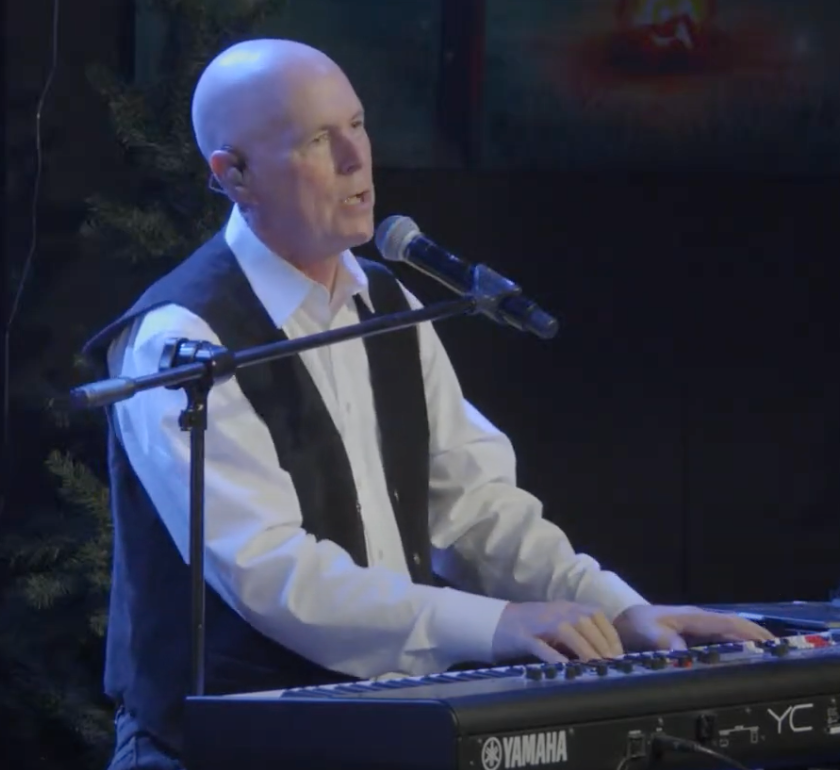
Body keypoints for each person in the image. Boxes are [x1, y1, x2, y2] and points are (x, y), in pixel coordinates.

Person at [85, 38, 773, 770]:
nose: (356, 158)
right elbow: (273, 574)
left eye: (358, 125)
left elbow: (473, 508)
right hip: (219, 749)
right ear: (234, 175)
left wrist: (622, 613)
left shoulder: (387, 302)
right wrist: (499, 625)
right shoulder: (181, 338)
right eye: (317, 140)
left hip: (377, 730)